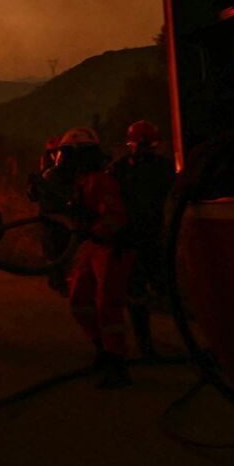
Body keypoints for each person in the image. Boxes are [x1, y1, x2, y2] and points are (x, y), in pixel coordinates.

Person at [58, 127, 134, 390]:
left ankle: (117, 363)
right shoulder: (82, 180)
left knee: (107, 306)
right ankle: (101, 348)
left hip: (110, 249)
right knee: (79, 298)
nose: (62, 160)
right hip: (92, 246)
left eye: (66, 154)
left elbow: (115, 217)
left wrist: (92, 230)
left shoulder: (102, 181)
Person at [109, 120, 176, 360]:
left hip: (152, 235)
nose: (143, 149)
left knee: (158, 285)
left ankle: (156, 335)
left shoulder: (161, 168)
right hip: (132, 237)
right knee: (136, 290)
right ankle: (144, 343)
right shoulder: (120, 169)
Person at [27, 135, 73, 295]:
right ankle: (59, 279)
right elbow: (34, 197)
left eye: (58, 152)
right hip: (49, 221)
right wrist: (34, 185)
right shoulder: (47, 173)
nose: (56, 156)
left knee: (67, 251)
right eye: (52, 153)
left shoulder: (69, 174)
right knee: (52, 251)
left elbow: (64, 197)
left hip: (66, 221)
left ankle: (69, 281)